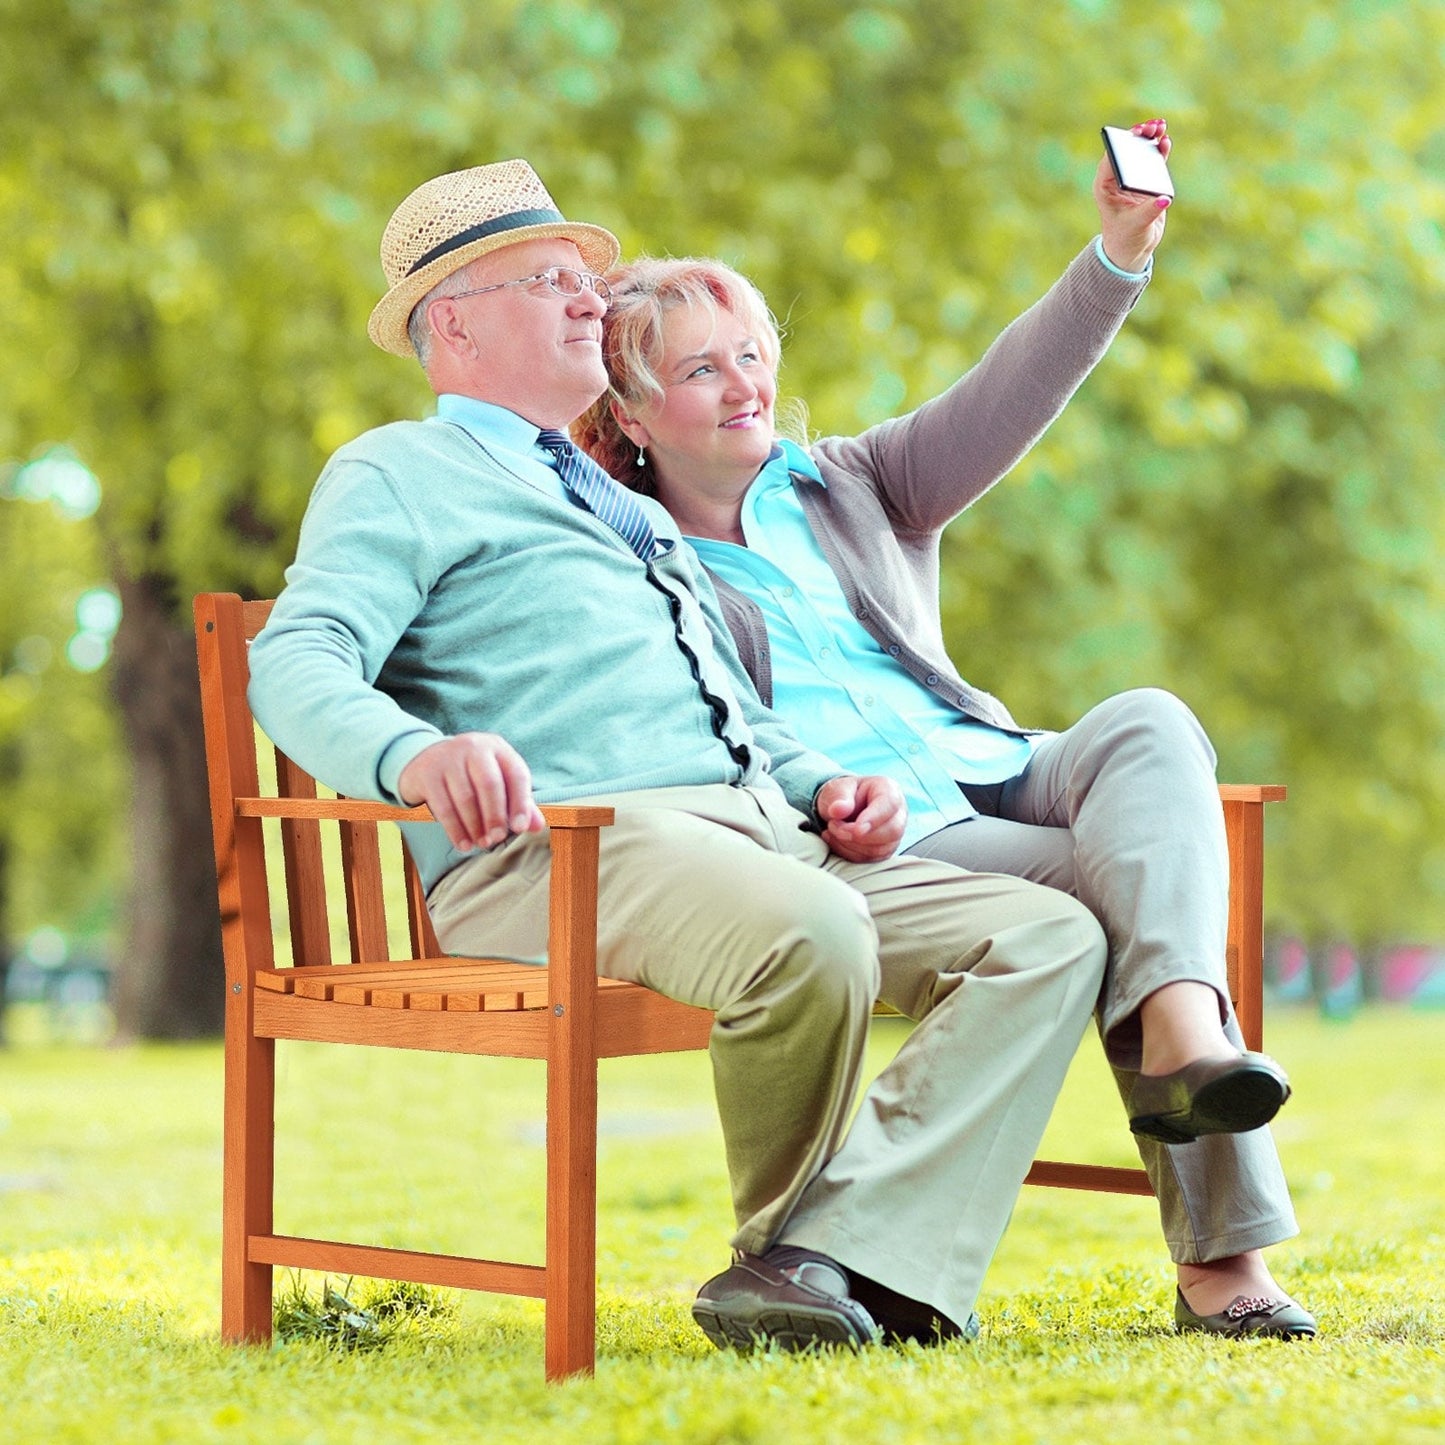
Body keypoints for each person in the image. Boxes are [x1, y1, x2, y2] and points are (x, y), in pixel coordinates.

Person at [247, 158, 1113, 1354]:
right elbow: (294, 655)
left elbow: (731, 712)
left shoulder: (630, 507)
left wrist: (822, 785)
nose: (587, 301)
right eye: (549, 280)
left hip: (752, 830)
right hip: (563, 848)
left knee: (1045, 934)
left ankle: (832, 1257)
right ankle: (792, 1258)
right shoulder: (400, 472)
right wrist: (408, 754)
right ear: (451, 322)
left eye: (587, 280)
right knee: (814, 932)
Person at [575, 121, 1317, 1339]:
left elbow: (1010, 389)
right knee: (1122, 894)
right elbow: (709, 728)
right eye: (705, 368)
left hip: (998, 766)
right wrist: (820, 795)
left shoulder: (854, 482)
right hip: (888, 840)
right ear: (635, 411)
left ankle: (1180, 1013)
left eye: (753, 353)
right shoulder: (630, 557)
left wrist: (1117, 252)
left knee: (1148, 720)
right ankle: (1225, 1270)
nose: (747, 382)